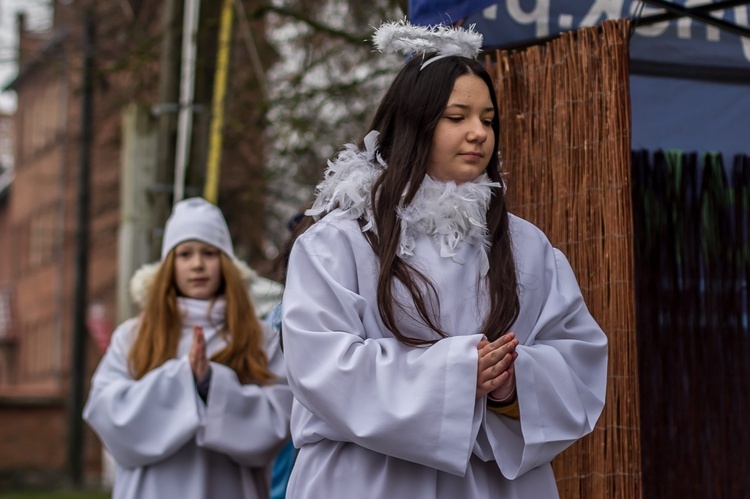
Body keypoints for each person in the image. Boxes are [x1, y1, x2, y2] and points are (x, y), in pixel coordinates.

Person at [280, 21, 608, 499]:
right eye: (458, 116)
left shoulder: (527, 247)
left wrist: (513, 388)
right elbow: (320, 366)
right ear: (415, 123)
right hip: (366, 481)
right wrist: (458, 376)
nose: (478, 133)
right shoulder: (339, 243)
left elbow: (578, 359)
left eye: (488, 119)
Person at [83, 197, 293, 499]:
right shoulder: (133, 336)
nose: (197, 264)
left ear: (225, 263)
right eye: (185, 254)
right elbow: (105, 411)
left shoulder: (259, 337)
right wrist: (183, 379)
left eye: (208, 253)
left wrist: (212, 385)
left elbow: (278, 419)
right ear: (170, 264)